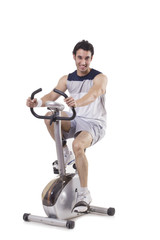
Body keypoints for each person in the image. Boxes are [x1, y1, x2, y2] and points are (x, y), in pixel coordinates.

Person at [26, 40, 108, 212]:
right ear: (74, 57)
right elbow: (51, 95)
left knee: (78, 145)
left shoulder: (99, 78)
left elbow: (95, 94)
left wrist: (77, 102)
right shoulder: (67, 79)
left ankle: (85, 194)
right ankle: (65, 153)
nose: (83, 62)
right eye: (80, 57)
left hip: (94, 123)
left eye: (87, 58)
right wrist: (37, 102)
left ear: (91, 58)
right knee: (50, 116)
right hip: (75, 118)